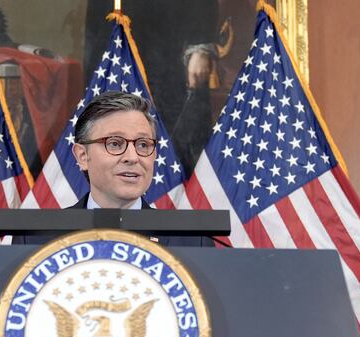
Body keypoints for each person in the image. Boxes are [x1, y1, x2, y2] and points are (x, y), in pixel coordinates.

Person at [16, 91, 215, 247]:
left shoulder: (191, 241)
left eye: (143, 145)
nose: (132, 157)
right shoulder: (37, 239)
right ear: (82, 156)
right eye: (114, 143)